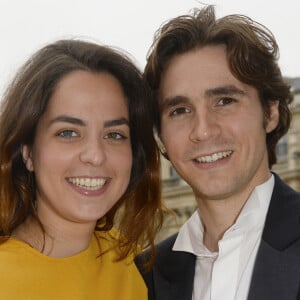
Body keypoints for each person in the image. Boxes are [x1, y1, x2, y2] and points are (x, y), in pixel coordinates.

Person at [135, 5, 300, 300]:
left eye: (224, 101)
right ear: (161, 137)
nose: (203, 130)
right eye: (180, 110)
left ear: (270, 112)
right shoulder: (144, 278)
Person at [0, 39, 163, 299]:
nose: (95, 156)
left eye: (115, 135)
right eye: (68, 132)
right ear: (27, 151)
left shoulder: (127, 261)